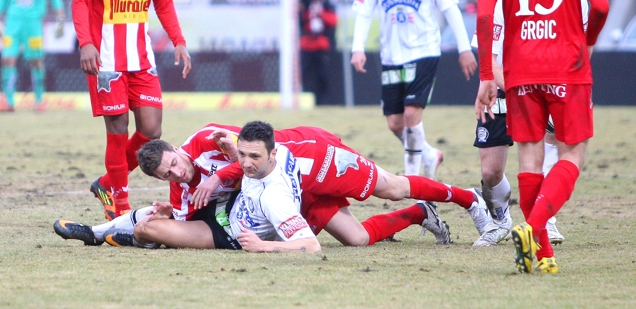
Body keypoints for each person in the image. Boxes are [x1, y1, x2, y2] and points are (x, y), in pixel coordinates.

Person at [475, 0, 609, 273]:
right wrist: (587, 41)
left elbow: (483, 13)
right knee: (572, 154)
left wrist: (486, 73)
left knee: (530, 159)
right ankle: (534, 227)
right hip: (567, 64)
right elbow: (600, 5)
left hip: (519, 69)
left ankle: (542, 254)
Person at [54, 122, 448, 250]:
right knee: (149, 223)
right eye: (166, 175)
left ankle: (450, 200)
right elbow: (187, 212)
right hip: (244, 212)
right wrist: (170, 212)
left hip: (289, 185)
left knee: (376, 209)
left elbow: (251, 150)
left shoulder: (210, 140)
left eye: (174, 164)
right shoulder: (179, 190)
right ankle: (100, 232)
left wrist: (218, 175)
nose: (175, 173)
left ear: (177, 149)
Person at [71, 0, 191, 220]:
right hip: (106, 60)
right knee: (117, 128)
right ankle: (120, 207)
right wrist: (86, 43)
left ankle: (108, 182)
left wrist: (178, 39)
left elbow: (163, 0)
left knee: (152, 130)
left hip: (141, 57)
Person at [350, 0, 477, 178]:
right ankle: (429, 154)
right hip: (391, 55)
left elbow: (450, 6)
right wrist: (357, 47)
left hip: (424, 50)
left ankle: (411, 179)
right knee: (395, 123)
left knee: (410, 115)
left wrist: (465, 48)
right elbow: (363, 11)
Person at [471, 0, 588, 247]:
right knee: (490, 170)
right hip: (503, 83)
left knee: (547, 146)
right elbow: (489, 58)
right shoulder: (502, 0)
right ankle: (500, 221)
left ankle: (545, 220)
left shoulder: (576, 0)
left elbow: (583, 47)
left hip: (547, 82)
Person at [0, 0, 64, 112]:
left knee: (36, 61)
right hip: (12, 23)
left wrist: (60, 16)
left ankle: (39, 99)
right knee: (7, 59)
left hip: (34, 23)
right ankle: (8, 101)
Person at [299, 0, 337, 105]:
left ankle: (322, 102)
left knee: (322, 75)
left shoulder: (327, 6)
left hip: (322, 45)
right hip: (307, 44)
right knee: (304, 74)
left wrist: (321, 14)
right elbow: (300, 19)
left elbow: (333, 21)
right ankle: (303, 100)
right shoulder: (305, 4)